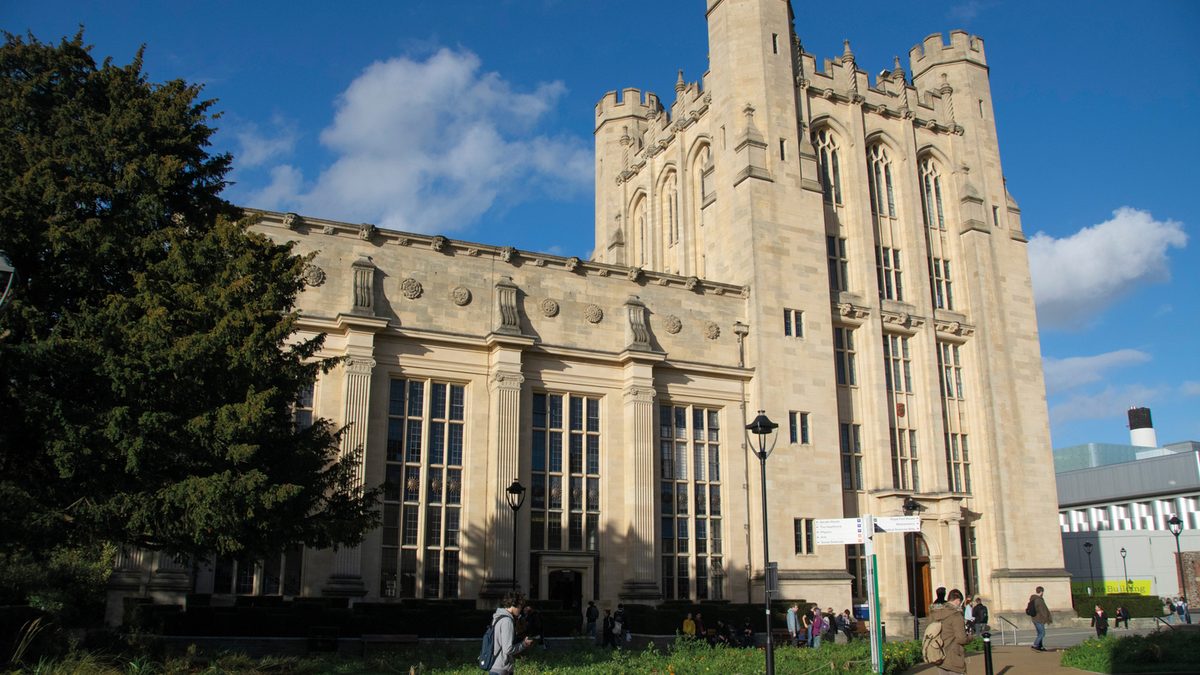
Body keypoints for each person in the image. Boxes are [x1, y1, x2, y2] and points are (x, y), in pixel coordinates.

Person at [488, 591, 533, 675]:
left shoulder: (498, 617)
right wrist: (524, 644)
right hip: (502, 669)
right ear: (514, 605)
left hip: (495, 666)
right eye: (520, 607)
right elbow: (508, 649)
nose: (520, 610)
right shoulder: (507, 621)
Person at [929, 588, 972, 674]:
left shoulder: (936, 612)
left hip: (939, 653)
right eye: (960, 602)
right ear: (957, 600)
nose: (960, 605)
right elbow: (961, 639)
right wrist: (970, 637)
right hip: (954, 654)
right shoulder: (956, 615)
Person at [1028, 586, 1052, 652]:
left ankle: (1040, 646)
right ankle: (1035, 645)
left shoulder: (1033, 599)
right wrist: (1047, 619)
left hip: (1034, 619)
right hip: (1039, 619)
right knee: (1042, 633)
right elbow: (1043, 611)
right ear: (1041, 592)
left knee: (1039, 633)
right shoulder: (1039, 600)